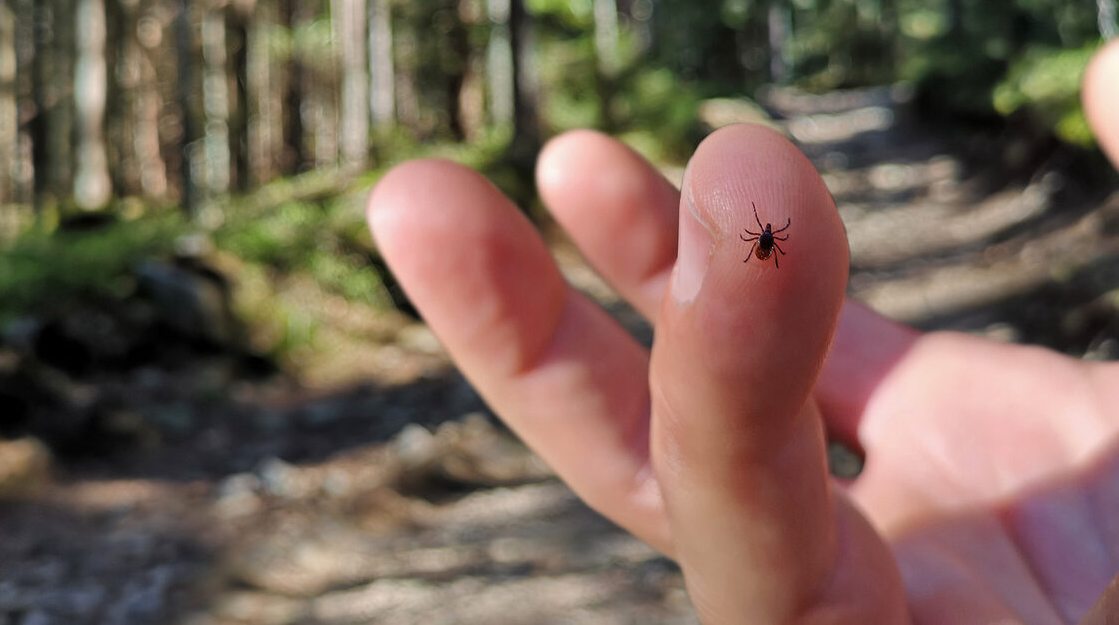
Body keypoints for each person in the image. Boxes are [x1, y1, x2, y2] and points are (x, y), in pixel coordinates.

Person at [367, 39, 1119, 623]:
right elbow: (770, 236)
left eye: (766, 239)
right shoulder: (767, 239)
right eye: (765, 239)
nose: (765, 240)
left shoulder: (768, 238)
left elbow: (772, 236)